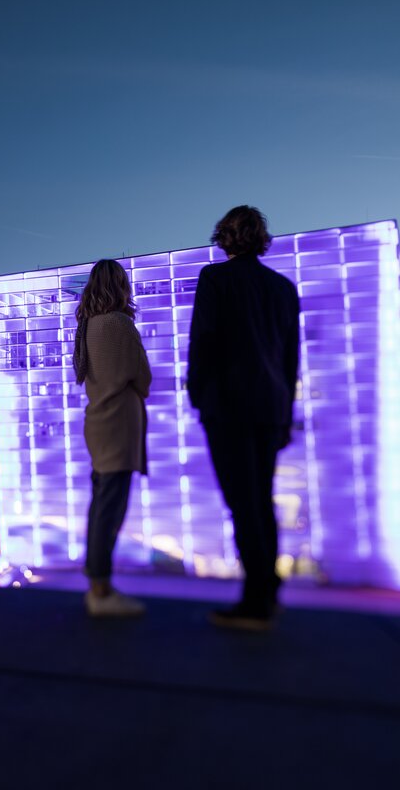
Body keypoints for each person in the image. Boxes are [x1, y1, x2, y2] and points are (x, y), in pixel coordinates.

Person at [187, 205, 300, 631]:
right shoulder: (283, 289)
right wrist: (285, 414)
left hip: (228, 408)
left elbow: (203, 342)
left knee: (242, 504)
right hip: (270, 408)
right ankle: (267, 593)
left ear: (225, 236)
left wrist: (199, 396)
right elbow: (290, 362)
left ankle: (255, 603)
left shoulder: (215, 279)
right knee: (261, 501)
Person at [73, 259, 152, 617]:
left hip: (99, 426)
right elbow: (143, 376)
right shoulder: (119, 323)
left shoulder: (88, 326)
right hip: (119, 426)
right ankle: (101, 590)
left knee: (100, 507)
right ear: (119, 285)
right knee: (110, 510)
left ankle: (98, 584)